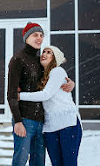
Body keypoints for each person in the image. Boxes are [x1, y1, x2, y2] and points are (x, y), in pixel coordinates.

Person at [7, 22, 74, 166]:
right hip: (25, 120)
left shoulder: (40, 61)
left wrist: (70, 82)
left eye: (41, 35)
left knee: (38, 162)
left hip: (42, 122)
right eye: (35, 35)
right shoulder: (18, 59)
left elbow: (52, 82)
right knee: (20, 160)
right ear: (26, 38)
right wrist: (18, 121)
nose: (39, 38)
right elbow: (11, 93)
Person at [19, 45, 82, 166]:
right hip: (50, 127)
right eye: (43, 52)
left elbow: (45, 94)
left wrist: (20, 96)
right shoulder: (41, 76)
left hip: (68, 124)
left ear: (55, 58)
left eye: (49, 53)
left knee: (69, 163)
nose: (44, 54)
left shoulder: (58, 71)